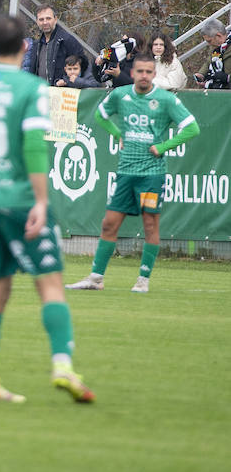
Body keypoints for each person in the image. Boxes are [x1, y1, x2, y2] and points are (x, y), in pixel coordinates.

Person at [0, 14, 93, 403]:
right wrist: (42, 201)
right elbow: (33, 147)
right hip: (20, 201)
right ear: (26, 48)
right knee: (49, 283)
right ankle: (63, 365)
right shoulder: (30, 87)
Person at [67, 53, 201, 293]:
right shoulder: (121, 94)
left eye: (149, 72)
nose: (144, 76)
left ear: (154, 74)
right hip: (126, 172)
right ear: (133, 72)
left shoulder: (165, 99)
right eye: (140, 71)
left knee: (150, 225)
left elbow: (192, 127)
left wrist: (163, 147)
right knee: (109, 224)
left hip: (152, 174)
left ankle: (143, 280)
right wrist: (118, 134)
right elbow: (101, 115)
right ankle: (95, 278)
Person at [23, 5, 88, 85]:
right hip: (41, 92)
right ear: (37, 22)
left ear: (55, 19)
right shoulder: (36, 44)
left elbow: (83, 65)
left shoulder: (67, 40)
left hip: (63, 94)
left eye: (48, 18)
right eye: (41, 19)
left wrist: (66, 81)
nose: (45, 22)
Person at [192, 19, 229, 90]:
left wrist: (227, 78)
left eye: (209, 41)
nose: (209, 44)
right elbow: (209, 61)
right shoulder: (216, 48)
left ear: (219, 36)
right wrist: (201, 74)